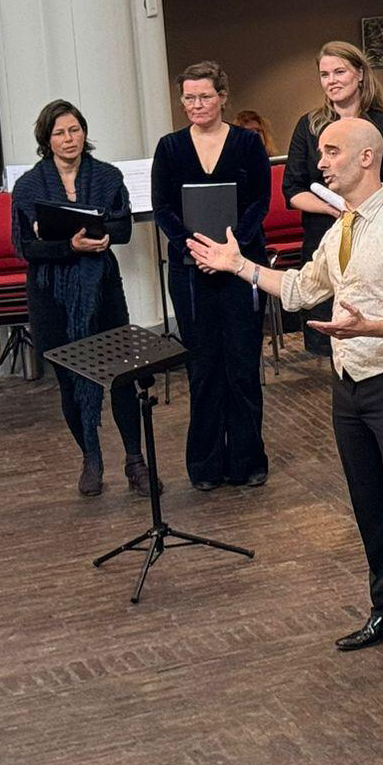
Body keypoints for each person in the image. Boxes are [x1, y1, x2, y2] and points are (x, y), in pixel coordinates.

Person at [189, 117, 383, 680]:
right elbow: (302, 290)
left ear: (366, 158)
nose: (321, 162)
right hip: (350, 386)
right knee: (370, 506)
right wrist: (238, 266)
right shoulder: (340, 230)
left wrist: (369, 328)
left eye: (332, 152)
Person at [12, 100, 143, 497]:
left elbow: (123, 227)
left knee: (122, 376)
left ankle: (135, 460)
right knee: (70, 380)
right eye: (59, 133)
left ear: (84, 132)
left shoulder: (107, 175)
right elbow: (25, 247)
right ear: (46, 139)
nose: (69, 139)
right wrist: (69, 246)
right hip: (52, 296)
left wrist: (105, 236)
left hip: (103, 289)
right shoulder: (28, 186)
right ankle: (91, 458)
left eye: (75, 130)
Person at [151, 61, 272, 491]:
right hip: (191, 272)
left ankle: (247, 461)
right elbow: (163, 208)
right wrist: (197, 249)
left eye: (204, 96)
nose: (196, 104)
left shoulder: (248, 143)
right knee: (203, 369)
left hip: (240, 266)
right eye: (189, 97)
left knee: (242, 365)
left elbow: (260, 202)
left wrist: (229, 251)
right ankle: (205, 465)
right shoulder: (169, 148)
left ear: (222, 97)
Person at [283, 42, 383, 358]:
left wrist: (366, 210)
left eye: (339, 72)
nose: (331, 80)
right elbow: (293, 190)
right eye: (324, 74)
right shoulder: (309, 126)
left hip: (378, 239)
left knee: (378, 337)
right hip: (325, 236)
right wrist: (334, 209)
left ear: (359, 74)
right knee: (331, 341)